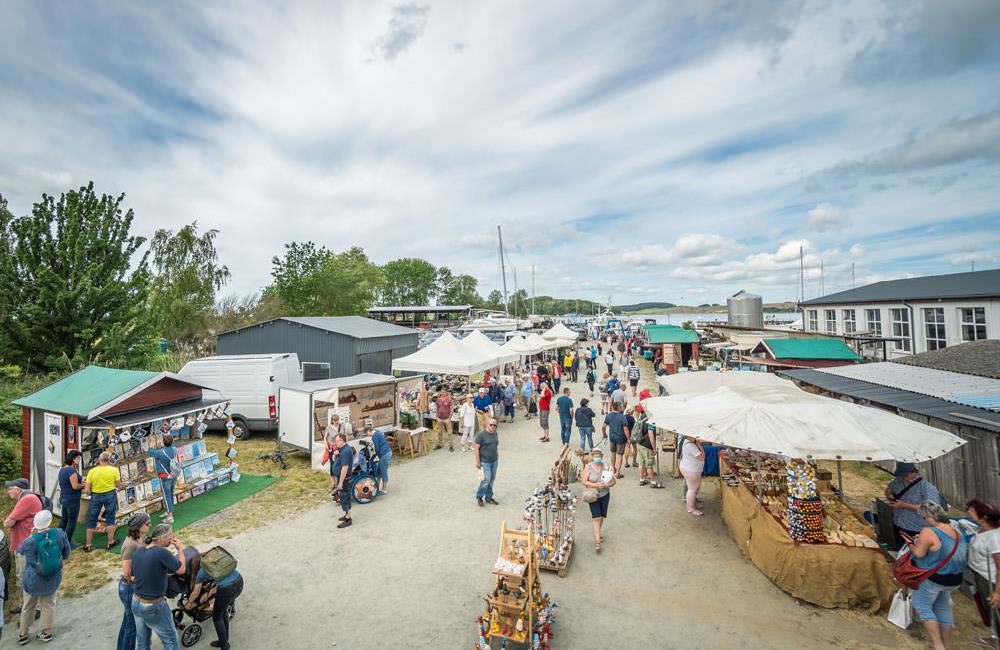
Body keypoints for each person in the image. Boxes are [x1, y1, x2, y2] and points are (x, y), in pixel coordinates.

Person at [906, 500, 967, 650]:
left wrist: (910, 543)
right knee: (942, 608)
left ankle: (937, 645)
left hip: (934, 577)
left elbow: (919, 553)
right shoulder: (957, 533)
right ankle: (946, 645)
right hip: (954, 578)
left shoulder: (928, 531)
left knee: (923, 607)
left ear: (927, 517)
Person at [15, 510, 70, 645]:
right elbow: (67, 552)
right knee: (49, 604)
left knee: (28, 605)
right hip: (52, 576)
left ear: (35, 523)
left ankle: (23, 633)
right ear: (50, 521)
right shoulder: (59, 534)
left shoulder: (30, 541)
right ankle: (47, 632)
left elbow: (19, 551)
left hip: (33, 579)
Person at [131, 523, 185, 650]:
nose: (172, 538)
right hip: (153, 605)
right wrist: (180, 549)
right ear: (163, 538)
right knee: (171, 640)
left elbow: (134, 577)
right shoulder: (162, 553)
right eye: (171, 535)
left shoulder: (139, 551)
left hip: (136, 602)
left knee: (142, 642)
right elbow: (181, 569)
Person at [187, 554, 243, 650]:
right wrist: (209, 593)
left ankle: (224, 646)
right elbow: (222, 580)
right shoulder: (218, 564)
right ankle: (223, 641)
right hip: (239, 581)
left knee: (217, 618)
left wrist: (189, 603)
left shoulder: (202, 572)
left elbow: (195, 593)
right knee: (222, 611)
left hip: (227, 589)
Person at [885, 463, 944, 550]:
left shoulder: (927, 487)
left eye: (905, 475)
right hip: (898, 524)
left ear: (913, 472)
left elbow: (932, 509)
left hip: (915, 528)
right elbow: (888, 490)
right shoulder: (898, 481)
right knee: (900, 550)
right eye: (901, 475)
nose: (903, 478)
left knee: (914, 554)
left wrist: (904, 505)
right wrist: (890, 496)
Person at [966, 499, 1000, 645]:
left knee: (995, 611)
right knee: (990, 611)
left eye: (972, 511)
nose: (969, 512)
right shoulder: (982, 530)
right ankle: (995, 637)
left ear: (984, 516)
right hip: (980, 574)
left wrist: (998, 592)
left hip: (990, 579)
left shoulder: (994, 538)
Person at [4, 478, 42, 603]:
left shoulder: (26, 499)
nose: (8, 491)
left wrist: (9, 519)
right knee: (23, 575)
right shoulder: (27, 498)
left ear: (18, 489)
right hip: (26, 542)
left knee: (25, 576)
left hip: (25, 545)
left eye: (10, 488)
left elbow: (8, 523)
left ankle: (31, 607)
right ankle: (24, 604)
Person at [119, 512, 151, 650]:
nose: (149, 524)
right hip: (129, 588)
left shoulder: (142, 538)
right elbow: (126, 574)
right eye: (147, 523)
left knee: (129, 622)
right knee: (131, 625)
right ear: (138, 526)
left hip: (136, 585)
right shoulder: (130, 545)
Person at [84, 451, 126, 552]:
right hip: (110, 494)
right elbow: (119, 485)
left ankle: (88, 545)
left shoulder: (92, 471)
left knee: (91, 520)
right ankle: (110, 542)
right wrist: (125, 485)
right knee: (110, 519)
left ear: (99, 460)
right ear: (109, 460)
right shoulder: (114, 470)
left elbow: (86, 490)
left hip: (96, 495)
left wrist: (92, 493)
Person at [580, 449, 615, 553]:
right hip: (593, 496)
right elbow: (584, 481)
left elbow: (613, 482)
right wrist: (596, 485)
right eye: (595, 456)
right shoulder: (588, 467)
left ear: (602, 456)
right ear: (592, 457)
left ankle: (598, 532)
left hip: (605, 495)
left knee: (602, 517)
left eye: (598, 456)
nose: (597, 458)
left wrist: (607, 485)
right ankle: (597, 542)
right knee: (596, 517)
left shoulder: (607, 467)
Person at [148, 434, 178, 524]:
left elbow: (150, 452)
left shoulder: (161, 452)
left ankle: (170, 515)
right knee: (170, 493)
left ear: (163, 442)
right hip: (173, 474)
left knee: (166, 495)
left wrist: (151, 443)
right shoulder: (174, 449)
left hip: (164, 476)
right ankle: (169, 510)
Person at [58, 451, 84, 547]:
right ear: (73, 459)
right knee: (72, 520)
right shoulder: (71, 471)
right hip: (72, 499)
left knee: (64, 519)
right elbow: (75, 486)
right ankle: (68, 542)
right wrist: (84, 485)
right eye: (78, 458)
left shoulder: (62, 469)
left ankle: (59, 539)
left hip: (64, 497)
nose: (79, 460)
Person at [474, 418, 500, 507]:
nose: (493, 426)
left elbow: (496, 445)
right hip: (485, 462)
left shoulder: (495, 433)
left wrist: (497, 455)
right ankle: (479, 496)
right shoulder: (481, 435)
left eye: (494, 425)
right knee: (486, 480)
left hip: (494, 461)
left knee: (492, 480)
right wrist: (478, 461)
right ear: (487, 424)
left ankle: (488, 497)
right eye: (491, 424)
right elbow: (476, 448)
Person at [602, 403, 630, 478]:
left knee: (612, 453)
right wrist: (628, 438)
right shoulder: (622, 417)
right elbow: (625, 429)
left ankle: (613, 469)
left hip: (612, 437)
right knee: (619, 455)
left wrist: (604, 434)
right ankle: (617, 473)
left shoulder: (608, 415)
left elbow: (603, 426)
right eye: (621, 407)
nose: (622, 408)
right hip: (621, 438)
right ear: (618, 408)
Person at [679, 436, 705, 515]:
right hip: (691, 470)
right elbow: (702, 457)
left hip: (688, 467)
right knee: (692, 490)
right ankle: (691, 509)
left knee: (693, 489)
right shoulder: (691, 445)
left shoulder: (687, 441)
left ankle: (693, 505)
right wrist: (700, 446)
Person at [333, 433, 355, 529]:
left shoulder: (346, 451)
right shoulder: (342, 450)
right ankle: (346, 515)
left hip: (345, 479)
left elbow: (345, 467)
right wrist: (336, 454)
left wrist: (341, 482)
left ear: (342, 441)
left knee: (345, 498)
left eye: (337, 441)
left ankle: (348, 519)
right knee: (343, 497)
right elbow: (337, 461)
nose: (336, 443)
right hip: (342, 478)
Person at [634, 406, 657, 485]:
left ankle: (642, 479)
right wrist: (654, 448)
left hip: (640, 443)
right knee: (649, 465)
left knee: (641, 463)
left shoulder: (641, 418)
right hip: (647, 446)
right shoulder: (650, 421)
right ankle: (653, 482)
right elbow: (651, 435)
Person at [370, 427, 393, 494]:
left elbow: (377, 447)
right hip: (388, 452)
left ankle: (384, 489)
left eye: (367, 433)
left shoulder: (374, 436)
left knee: (383, 471)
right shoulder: (377, 431)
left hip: (384, 454)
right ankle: (376, 488)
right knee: (378, 471)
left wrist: (375, 454)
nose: (368, 435)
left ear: (369, 431)